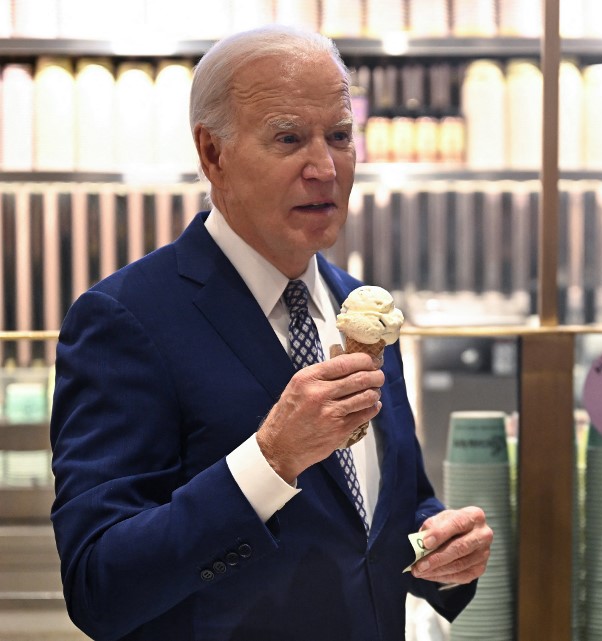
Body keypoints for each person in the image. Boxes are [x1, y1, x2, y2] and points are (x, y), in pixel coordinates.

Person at [49, 25, 492, 641]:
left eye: (340, 136)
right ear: (213, 154)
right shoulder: (125, 318)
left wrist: (440, 546)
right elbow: (99, 585)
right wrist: (270, 459)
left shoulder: (361, 309)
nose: (325, 167)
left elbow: (382, 509)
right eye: (289, 138)